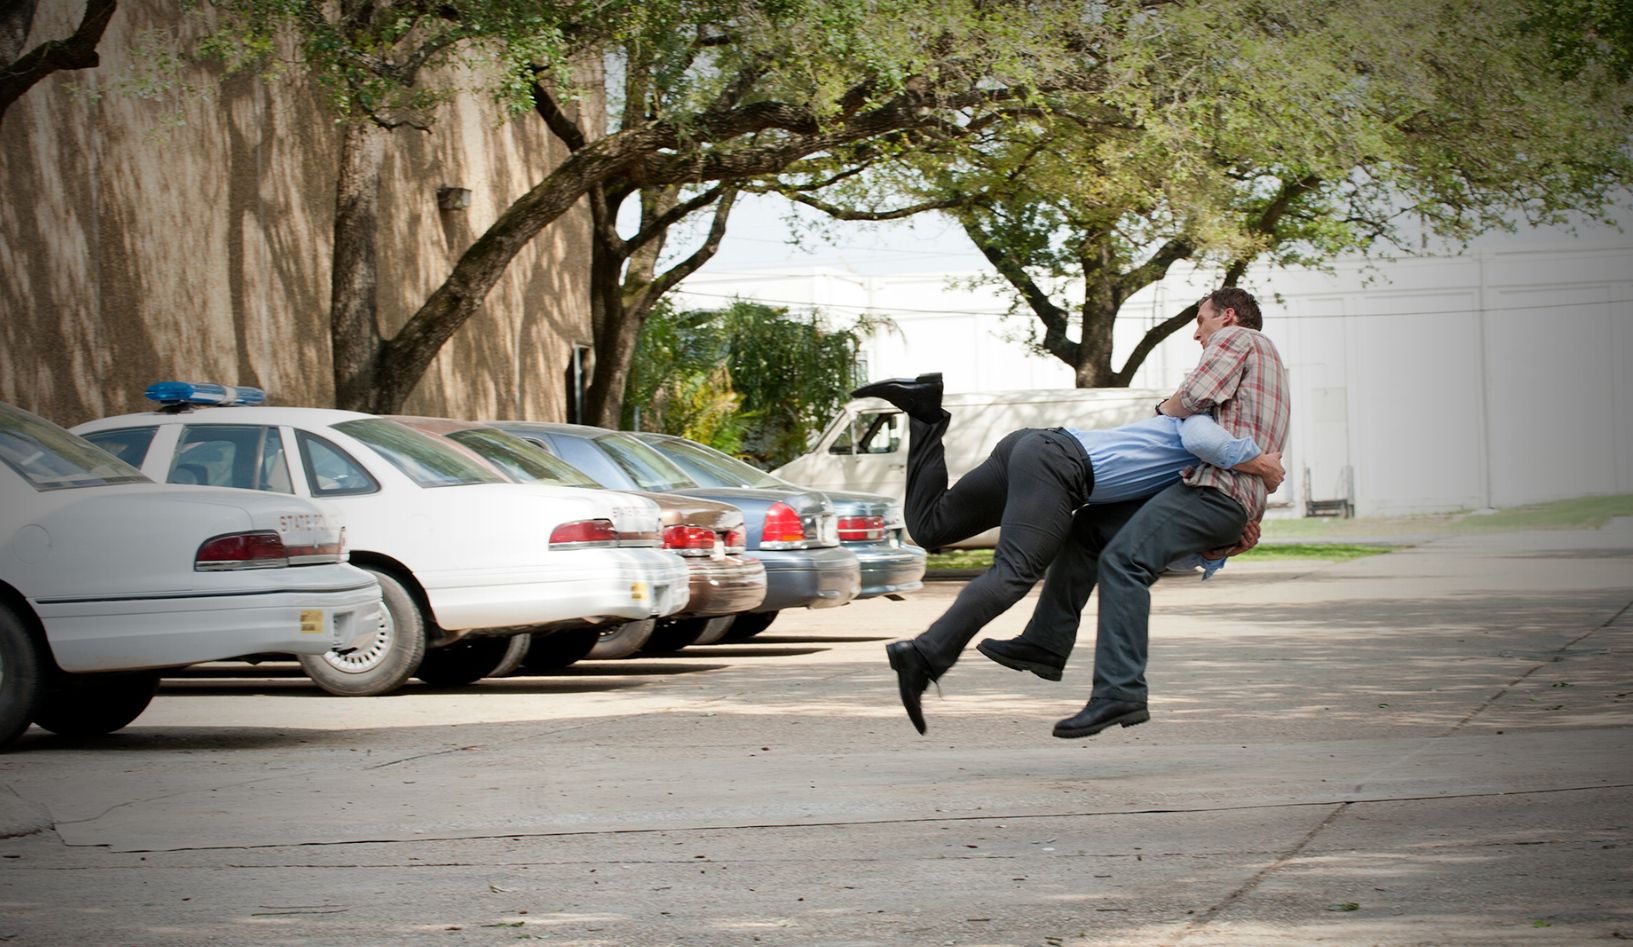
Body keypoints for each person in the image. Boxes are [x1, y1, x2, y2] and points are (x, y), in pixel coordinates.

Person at [855, 341, 1283, 734]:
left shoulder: (1192, 479)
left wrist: (1214, 551)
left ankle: (926, 413)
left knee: (931, 526)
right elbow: (1199, 431)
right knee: (1013, 574)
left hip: (1034, 447)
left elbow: (1154, 541)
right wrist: (1260, 462)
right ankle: (925, 654)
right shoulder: (1204, 424)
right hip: (1057, 464)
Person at [978, 286, 1290, 739]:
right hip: (1217, 495)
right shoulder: (1270, 367)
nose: (1197, 335)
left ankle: (1119, 691)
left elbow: (1194, 398)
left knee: (1125, 561)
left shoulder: (1239, 339)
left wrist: (1167, 407)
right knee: (1087, 529)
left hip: (1215, 493)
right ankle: (1044, 644)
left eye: (1200, 321)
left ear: (1226, 316)